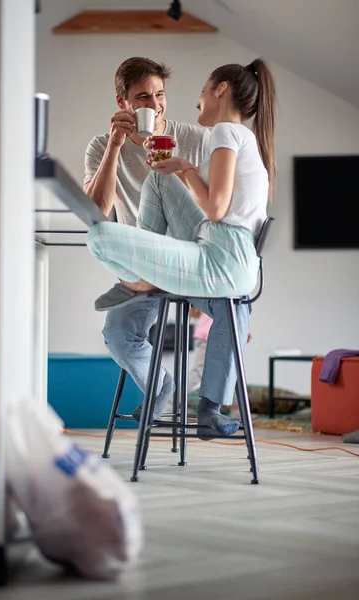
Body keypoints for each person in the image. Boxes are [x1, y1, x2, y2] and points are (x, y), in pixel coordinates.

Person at [84, 56, 253, 435]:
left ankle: (210, 408)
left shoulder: (198, 139)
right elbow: (96, 211)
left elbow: (223, 203)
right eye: (143, 97)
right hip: (143, 269)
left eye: (160, 95)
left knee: (236, 308)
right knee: (117, 333)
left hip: (187, 258)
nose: (155, 105)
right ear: (122, 102)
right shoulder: (100, 146)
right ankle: (161, 387)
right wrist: (114, 146)